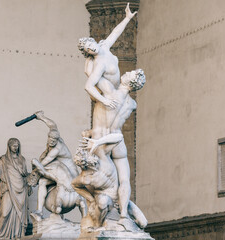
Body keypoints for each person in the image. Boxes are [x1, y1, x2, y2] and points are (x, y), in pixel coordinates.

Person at [78, 3, 141, 225]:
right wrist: (103, 99)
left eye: (89, 42)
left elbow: (114, 33)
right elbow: (88, 85)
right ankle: (115, 214)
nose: (90, 46)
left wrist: (126, 19)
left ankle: (124, 213)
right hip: (109, 106)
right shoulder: (98, 65)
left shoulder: (104, 48)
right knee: (109, 175)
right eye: (87, 47)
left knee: (124, 177)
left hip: (111, 117)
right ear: (87, 53)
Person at [72, 134, 147, 229]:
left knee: (143, 223)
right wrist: (91, 199)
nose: (86, 168)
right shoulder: (86, 178)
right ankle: (97, 226)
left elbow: (119, 137)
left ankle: (127, 225)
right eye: (84, 166)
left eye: (87, 163)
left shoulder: (103, 156)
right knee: (103, 202)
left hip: (120, 199)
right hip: (105, 199)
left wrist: (98, 142)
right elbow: (74, 185)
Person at [32, 111, 79, 218]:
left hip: (70, 174)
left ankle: (41, 210)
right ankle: (39, 211)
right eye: (51, 139)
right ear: (48, 137)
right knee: (43, 182)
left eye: (54, 140)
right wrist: (42, 117)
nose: (52, 142)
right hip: (60, 171)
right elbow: (52, 125)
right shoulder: (53, 136)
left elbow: (44, 162)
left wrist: (35, 169)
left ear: (58, 140)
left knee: (43, 179)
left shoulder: (57, 148)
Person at [0, 138, 31, 239]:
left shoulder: (22, 159)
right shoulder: (3, 160)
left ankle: (17, 235)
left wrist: (30, 183)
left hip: (21, 190)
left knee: (19, 216)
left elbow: (25, 175)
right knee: (4, 213)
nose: (15, 147)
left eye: (17, 145)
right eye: (13, 145)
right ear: (9, 146)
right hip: (9, 189)